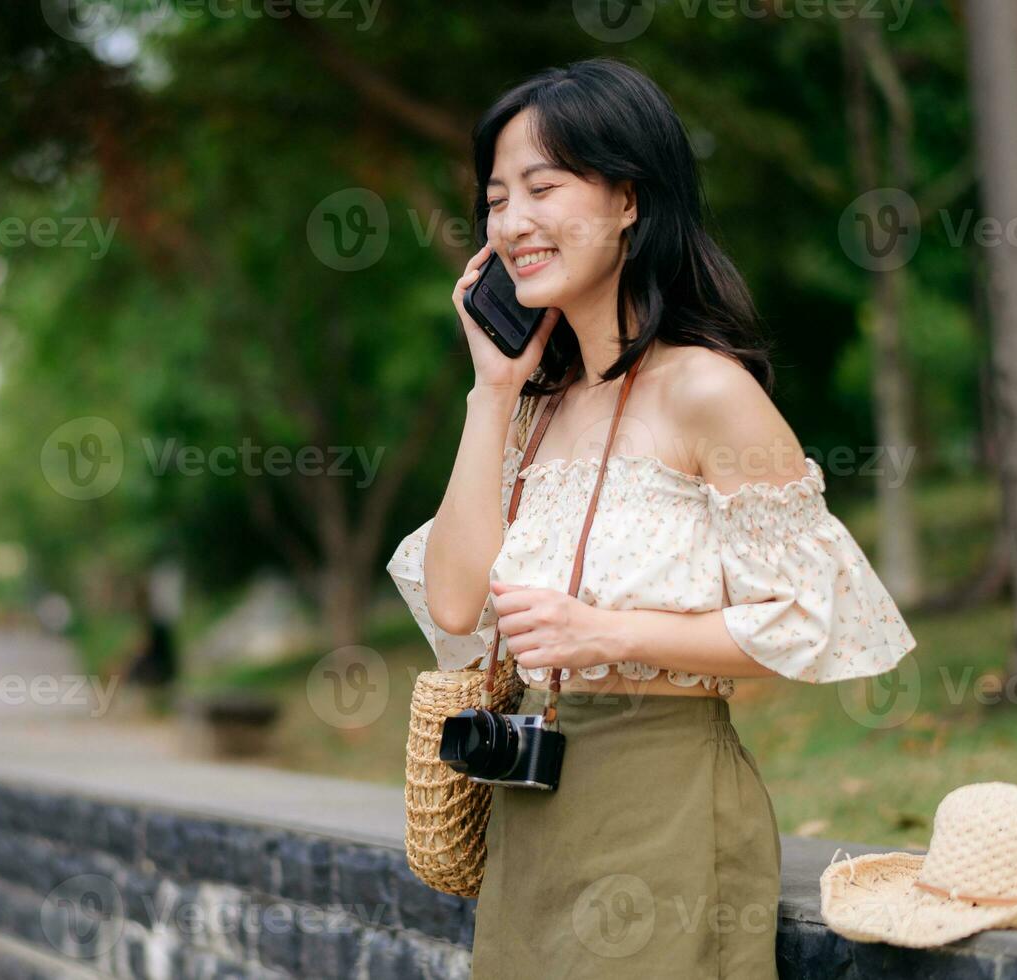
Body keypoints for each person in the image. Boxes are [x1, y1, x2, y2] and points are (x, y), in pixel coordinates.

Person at [386, 58, 916, 979]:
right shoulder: (529, 406)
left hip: (662, 805)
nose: (511, 222)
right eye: (495, 198)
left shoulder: (707, 390)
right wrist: (491, 388)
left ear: (628, 198)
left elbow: (803, 623)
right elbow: (455, 602)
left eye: (542, 188)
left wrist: (604, 629)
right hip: (529, 809)